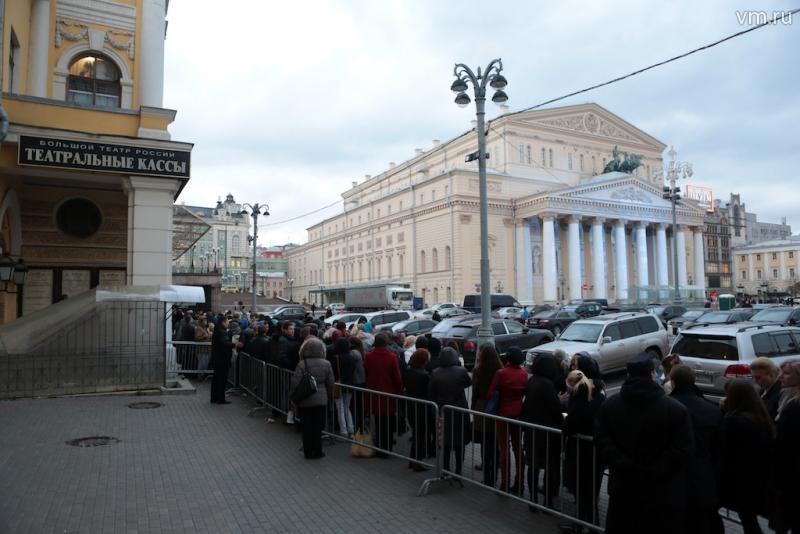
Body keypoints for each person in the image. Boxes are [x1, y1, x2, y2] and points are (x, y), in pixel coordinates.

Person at [595, 352, 695, 534]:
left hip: (622, 491)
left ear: (628, 375)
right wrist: (654, 469)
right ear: (651, 375)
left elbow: (602, 442)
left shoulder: (610, 405)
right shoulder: (675, 409)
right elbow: (683, 450)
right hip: (662, 494)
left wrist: (625, 463)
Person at [669, 365, 724, 534]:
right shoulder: (713, 409)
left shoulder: (667, 407)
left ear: (673, 382)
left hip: (673, 480)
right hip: (704, 480)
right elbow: (720, 449)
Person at [720, 380, 775, 533]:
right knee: (749, 518)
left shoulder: (734, 420)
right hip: (759, 475)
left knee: (747, 519)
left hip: (739, 477)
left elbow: (725, 448)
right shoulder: (761, 417)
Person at [562, 368, 606, 531]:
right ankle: (589, 524)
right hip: (597, 452)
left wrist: (564, 425)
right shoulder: (599, 397)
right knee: (591, 491)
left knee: (582, 491)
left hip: (581, 452)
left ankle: (582, 525)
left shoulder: (580, 399)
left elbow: (570, 426)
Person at [521, 352, 564, 505]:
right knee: (549, 467)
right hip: (547, 434)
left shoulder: (532, 381)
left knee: (533, 467)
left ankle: (532, 499)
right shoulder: (547, 384)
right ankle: (547, 501)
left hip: (531, 432)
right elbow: (555, 409)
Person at [487, 346, 529, 494]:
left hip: (503, 413)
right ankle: (519, 482)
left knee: (504, 448)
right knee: (518, 448)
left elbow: (491, 394)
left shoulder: (501, 373)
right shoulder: (524, 375)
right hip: (518, 413)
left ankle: (504, 483)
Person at [428, 347, 472, 475]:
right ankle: (458, 469)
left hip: (443, 410)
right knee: (460, 441)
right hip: (459, 410)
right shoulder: (462, 371)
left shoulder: (435, 372)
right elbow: (468, 383)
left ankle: (446, 469)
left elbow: (431, 392)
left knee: (446, 441)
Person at [290, 337, 335, 460]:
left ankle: (308, 451)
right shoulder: (326, 363)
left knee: (306, 427)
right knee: (318, 426)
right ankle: (318, 451)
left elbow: (295, 382)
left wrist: (293, 397)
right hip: (321, 399)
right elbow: (331, 382)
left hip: (305, 399)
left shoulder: (302, 363)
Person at [363, 333, 403, 457]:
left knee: (378, 421)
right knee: (388, 422)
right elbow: (397, 377)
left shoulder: (368, 356)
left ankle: (380, 447)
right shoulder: (392, 357)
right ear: (386, 343)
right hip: (389, 394)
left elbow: (367, 372)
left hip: (374, 393)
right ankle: (387, 448)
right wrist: (400, 390)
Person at [773, 360, 800, 533]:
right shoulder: (786, 395)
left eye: (787, 373)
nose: (781, 376)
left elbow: (786, 441)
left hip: (792, 472)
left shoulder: (795, 405)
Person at [471, 344, 503, 486]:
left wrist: (473, 408)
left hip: (481, 407)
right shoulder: (500, 370)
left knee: (485, 442)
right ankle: (495, 474)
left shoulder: (478, 371)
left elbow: (475, 392)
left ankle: (487, 475)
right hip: (496, 408)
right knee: (495, 443)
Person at [403, 348, 433, 471]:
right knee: (420, 436)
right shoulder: (424, 375)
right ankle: (417, 462)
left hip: (411, 406)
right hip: (421, 408)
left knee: (416, 434)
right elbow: (428, 392)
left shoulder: (409, 371)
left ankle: (413, 460)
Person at [328, 338, 359, 438]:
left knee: (340, 408)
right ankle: (351, 429)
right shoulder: (352, 358)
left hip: (338, 385)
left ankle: (343, 430)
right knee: (347, 408)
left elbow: (333, 373)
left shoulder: (335, 358)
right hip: (349, 385)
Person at [210, 314, 235, 404]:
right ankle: (220, 398)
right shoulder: (222, 332)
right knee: (221, 379)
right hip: (222, 359)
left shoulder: (217, 330)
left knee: (216, 379)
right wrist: (234, 344)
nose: (228, 323)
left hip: (217, 358)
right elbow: (224, 343)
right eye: (227, 321)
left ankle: (214, 397)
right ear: (223, 322)